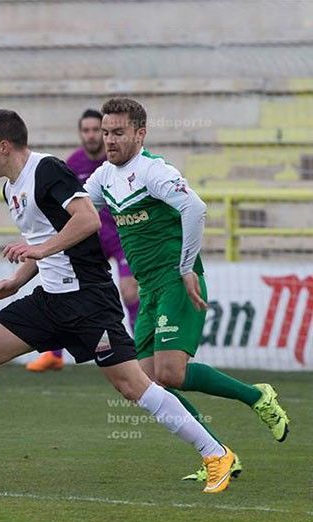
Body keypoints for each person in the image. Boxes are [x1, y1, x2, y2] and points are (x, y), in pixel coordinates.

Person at [0, 109, 237, 494]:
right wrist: (15, 281)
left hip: (88, 300)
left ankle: (215, 452)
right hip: (50, 299)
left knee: (133, 386)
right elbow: (47, 243)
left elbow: (87, 220)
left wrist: (39, 252)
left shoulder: (47, 171)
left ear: (3, 146)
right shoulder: (11, 189)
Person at [85, 97, 290, 481]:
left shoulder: (153, 171)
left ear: (140, 134)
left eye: (118, 133)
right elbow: (79, 213)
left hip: (178, 281)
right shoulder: (102, 178)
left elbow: (195, 208)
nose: (109, 140)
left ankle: (257, 396)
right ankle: (219, 453)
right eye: (106, 132)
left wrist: (185, 267)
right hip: (148, 289)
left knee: (171, 373)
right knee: (144, 385)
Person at [27, 109, 140, 372]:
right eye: (85, 130)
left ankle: (140, 351)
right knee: (62, 284)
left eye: (95, 130)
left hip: (119, 236)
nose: (91, 135)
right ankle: (54, 355)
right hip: (87, 238)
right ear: (80, 133)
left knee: (129, 290)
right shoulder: (72, 163)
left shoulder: (116, 161)